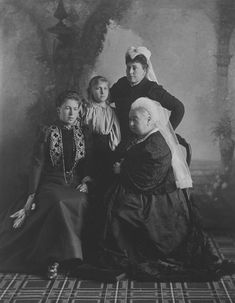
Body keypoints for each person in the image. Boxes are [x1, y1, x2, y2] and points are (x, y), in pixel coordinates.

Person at [99, 97, 234, 281]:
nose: (130, 123)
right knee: (113, 201)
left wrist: (122, 169)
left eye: (134, 120)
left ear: (149, 120)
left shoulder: (157, 143)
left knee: (119, 207)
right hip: (150, 191)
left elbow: (148, 178)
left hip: (161, 199)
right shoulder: (145, 136)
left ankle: (125, 255)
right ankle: (119, 254)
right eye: (129, 119)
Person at [0, 90, 92, 279]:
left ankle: (76, 259)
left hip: (74, 185)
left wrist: (87, 181)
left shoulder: (84, 132)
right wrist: (31, 195)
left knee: (83, 201)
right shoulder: (47, 132)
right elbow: (37, 165)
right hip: (51, 185)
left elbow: (90, 163)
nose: (72, 113)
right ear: (58, 110)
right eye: (67, 108)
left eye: (75, 109)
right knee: (59, 203)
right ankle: (53, 260)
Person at [110, 46, 184, 147]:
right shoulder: (121, 84)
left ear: (144, 70)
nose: (130, 72)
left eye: (134, 68)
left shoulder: (151, 88)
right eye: (128, 67)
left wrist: (164, 134)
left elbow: (179, 108)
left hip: (142, 143)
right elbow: (104, 101)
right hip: (118, 137)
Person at [82, 76, 121, 263]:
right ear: (91, 91)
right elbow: (84, 137)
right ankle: (90, 244)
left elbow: (116, 136)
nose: (102, 92)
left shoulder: (112, 112)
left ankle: (107, 242)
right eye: (98, 88)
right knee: (93, 193)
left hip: (108, 154)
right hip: (91, 153)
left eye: (105, 88)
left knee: (109, 193)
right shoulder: (87, 110)